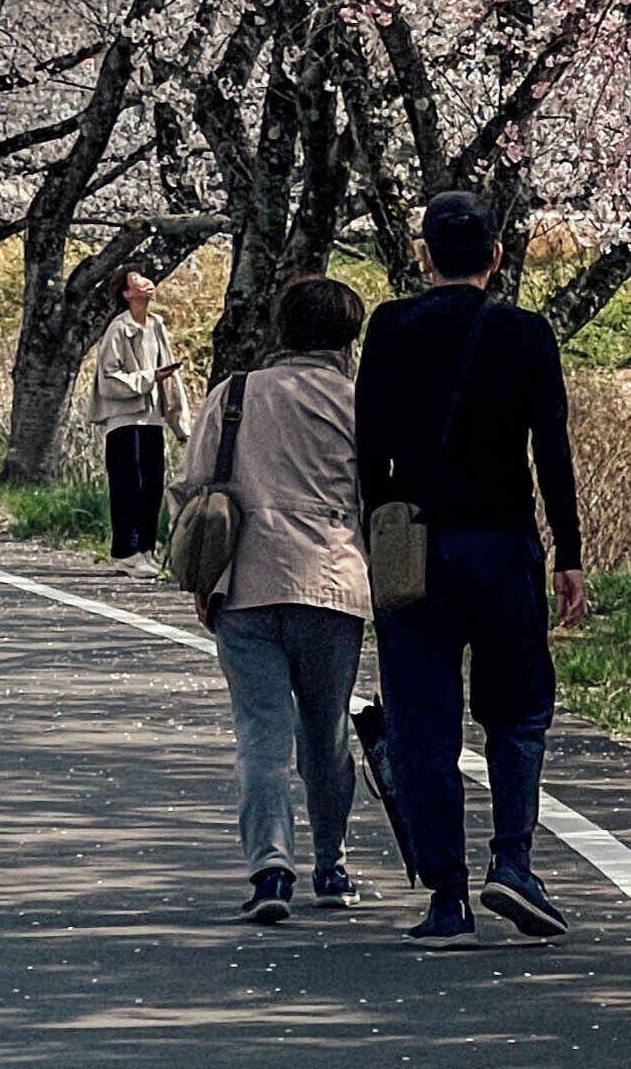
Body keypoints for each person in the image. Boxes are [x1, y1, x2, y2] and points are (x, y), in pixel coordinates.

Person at [355, 193, 586, 953]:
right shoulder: (525, 332)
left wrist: (381, 530)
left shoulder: (390, 327)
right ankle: (514, 863)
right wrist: (572, 555)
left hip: (416, 546)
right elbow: (551, 448)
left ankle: (447, 898)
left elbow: (369, 446)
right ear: (495, 255)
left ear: (425, 257)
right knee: (517, 714)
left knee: (423, 720)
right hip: (504, 544)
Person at [173, 270, 371, 925]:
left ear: (279, 330)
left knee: (261, 733)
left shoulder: (233, 395)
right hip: (331, 584)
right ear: (348, 333)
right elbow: (376, 503)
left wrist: (204, 579)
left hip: (244, 586)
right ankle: (332, 864)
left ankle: (270, 869)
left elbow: (192, 486)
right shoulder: (358, 402)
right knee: (327, 731)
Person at [89, 267, 192, 556]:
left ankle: (147, 550)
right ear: (126, 293)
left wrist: (180, 426)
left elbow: (171, 380)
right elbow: (107, 378)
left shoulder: (157, 325)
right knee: (128, 486)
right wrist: (148, 378)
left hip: (153, 419)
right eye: (138, 281)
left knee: (152, 485)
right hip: (124, 418)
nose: (147, 284)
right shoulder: (119, 328)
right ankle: (126, 552)